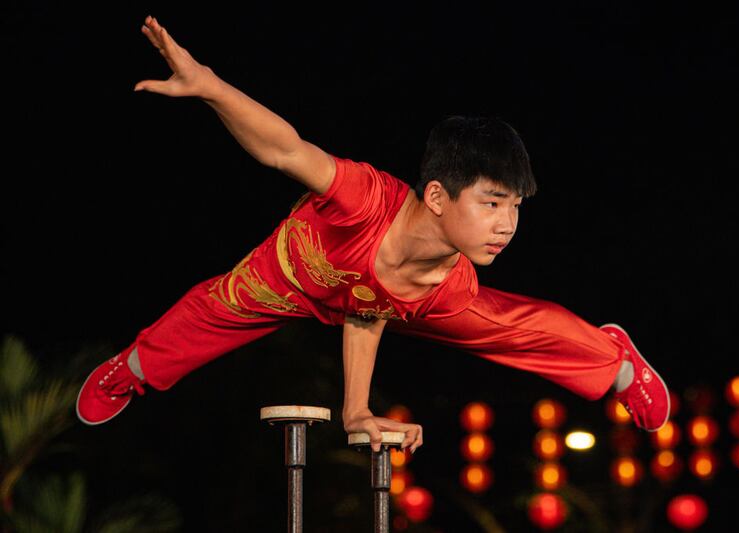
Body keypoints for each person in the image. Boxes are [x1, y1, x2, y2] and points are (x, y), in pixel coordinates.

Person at [76, 15, 670, 453]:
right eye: (492, 203)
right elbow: (283, 148)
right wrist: (211, 88)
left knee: (510, 325)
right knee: (209, 312)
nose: (507, 225)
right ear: (437, 195)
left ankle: (618, 367)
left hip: (381, 298)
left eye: (515, 208)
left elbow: (369, 310)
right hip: (295, 273)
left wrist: (354, 411)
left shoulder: (450, 283)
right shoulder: (364, 199)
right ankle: (127, 371)